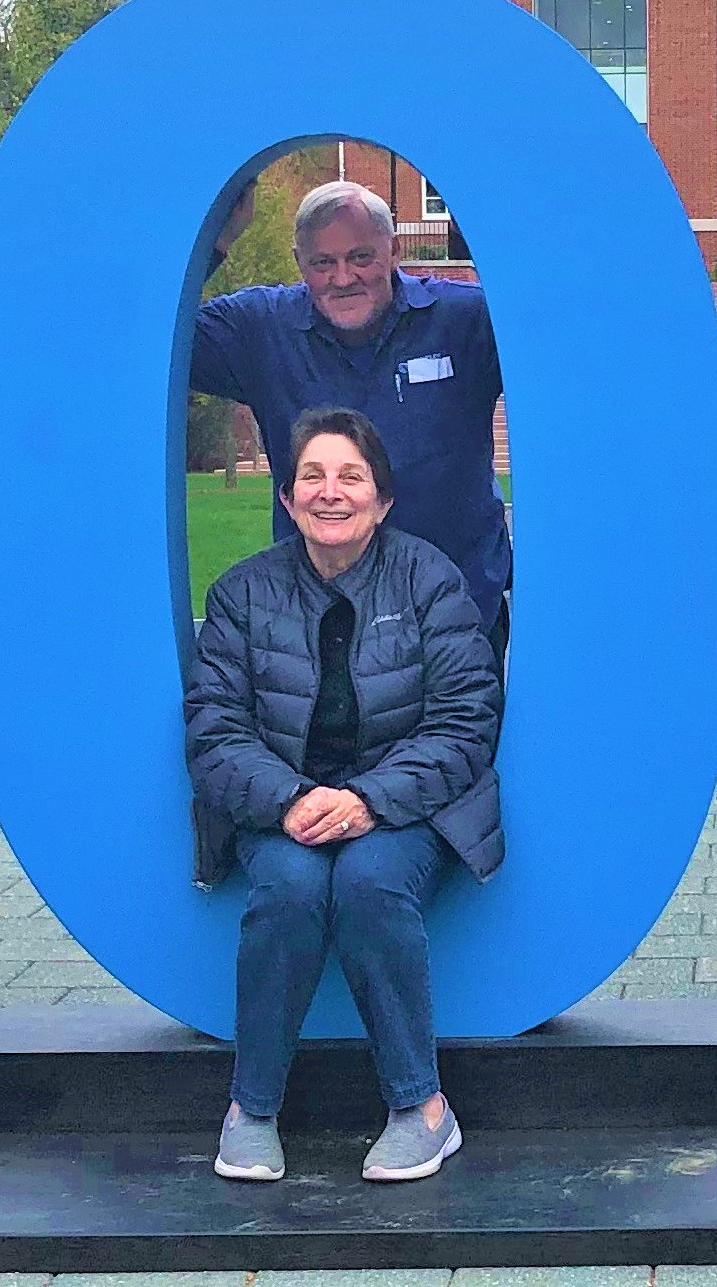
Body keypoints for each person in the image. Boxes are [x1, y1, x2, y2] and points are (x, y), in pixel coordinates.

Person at [187, 407, 503, 1185]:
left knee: (368, 882)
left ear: (383, 500)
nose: (332, 493)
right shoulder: (242, 595)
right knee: (291, 888)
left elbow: (466, 721)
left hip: (407, 803)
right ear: (288, 500)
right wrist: (290, 798)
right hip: (281, 805)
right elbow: (214, 729)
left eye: (351, 477)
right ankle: (251, 1109)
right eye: (313, 478)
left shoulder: (429, 580)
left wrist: (367, 800)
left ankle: (422, 1110)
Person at [194, 180, 511, 645]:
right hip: (317, 637)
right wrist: (218, 237)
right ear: (299, 261)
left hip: (458, 624)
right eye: (323, 263)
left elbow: (563, 331)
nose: (343, 278)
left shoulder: (465, 321)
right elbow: (146, 335)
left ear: (395, 250)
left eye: (361, 257)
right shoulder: (260, 330)